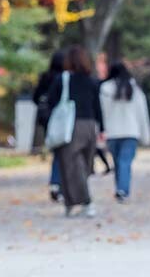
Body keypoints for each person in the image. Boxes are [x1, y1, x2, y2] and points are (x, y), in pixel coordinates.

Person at [45, 45, 104, 218]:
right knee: (83, 165)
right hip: (90, 125)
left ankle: (84, 201)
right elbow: (97, 106)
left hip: (70, 126)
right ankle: (73, 202)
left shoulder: (62, 80)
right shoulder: (92, 81)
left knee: (70, 164)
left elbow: (50, 101)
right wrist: (102, 127)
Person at [99, 61, 150, 202]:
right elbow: (142, 114)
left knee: (118, 162)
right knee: (125, 162)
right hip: (131, 132)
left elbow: (101, 113)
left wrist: (100, 131)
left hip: (112, 132)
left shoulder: (105, 89)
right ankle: (122, 190)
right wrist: (146, 135)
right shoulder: (135, 89)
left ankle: (120, 189)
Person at [32, 50, 65, 201]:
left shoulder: (45, 77)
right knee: (63, 153)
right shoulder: (65, 78)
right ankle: (59, 184)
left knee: (56, 152)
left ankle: (55, 183)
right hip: (62, 120)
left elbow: (35, 98)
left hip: (47, 120)